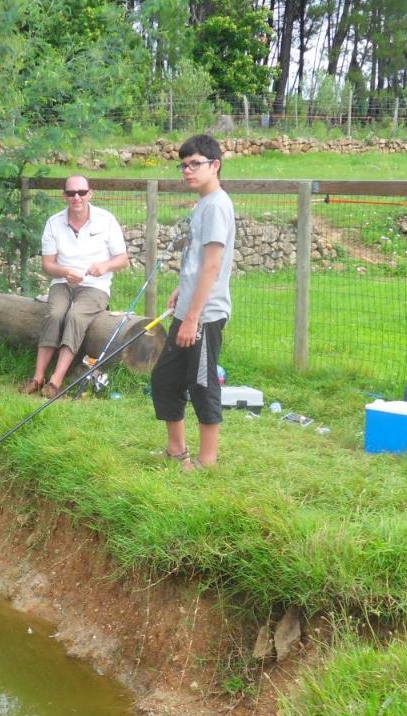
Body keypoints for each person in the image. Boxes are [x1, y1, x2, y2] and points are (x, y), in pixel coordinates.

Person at [150, 134, 235, 470]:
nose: (187, 171)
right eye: (183, 165)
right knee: (164, 379)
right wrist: (180, 291)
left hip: (204, 315)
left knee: (201, 384)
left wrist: (193, 317)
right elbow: (196, 263)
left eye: (195, 164)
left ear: (214, 165)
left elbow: (213, 265)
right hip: (188, 307)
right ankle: (176, 451)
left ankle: (207, 461)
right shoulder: (202, 203)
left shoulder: (216, 205)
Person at [20, 175, 129, 399]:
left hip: (95, 286)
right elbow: (47, 264)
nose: (76, 197)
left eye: (81, 192)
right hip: (62, 282)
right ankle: (37, 377)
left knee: (75, 316)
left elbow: (123, 260)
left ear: (90, 194)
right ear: (64, 196)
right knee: (55, 314)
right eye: (71, 193)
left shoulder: (106, 220)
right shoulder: (53, 222)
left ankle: (55, 381)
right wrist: (64, 272)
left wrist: (104, 266)